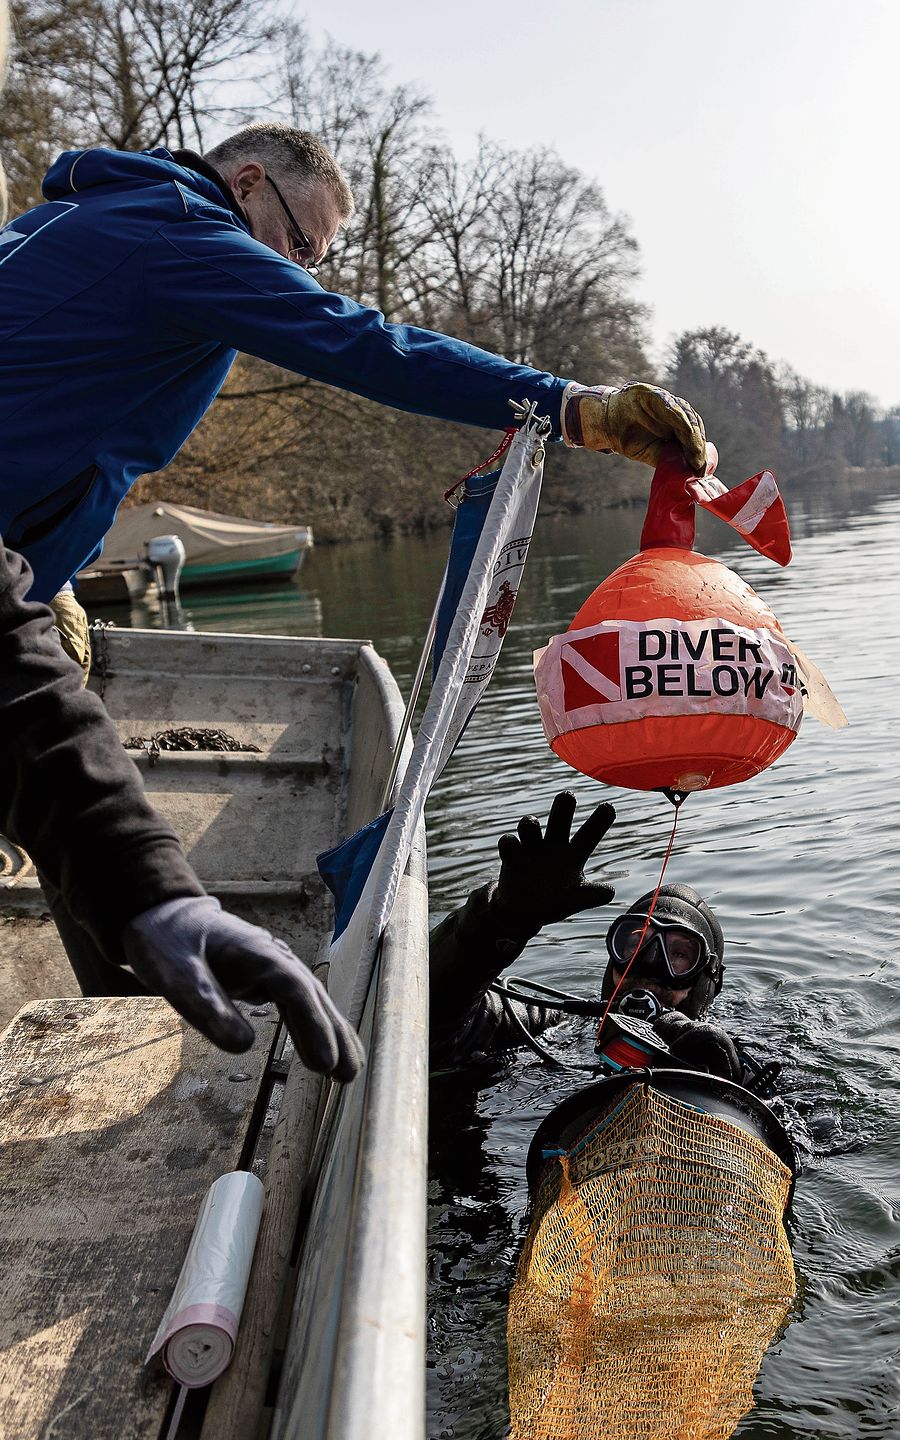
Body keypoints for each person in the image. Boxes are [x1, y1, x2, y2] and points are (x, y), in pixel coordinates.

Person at [0, 120, 710, 660]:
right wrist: (576, 409)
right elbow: (370, 346)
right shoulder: (187, 240)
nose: (298, 271)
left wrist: (54, 572)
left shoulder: (95, 216)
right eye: (300, 245)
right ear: (247, 183)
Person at [429, 790, 753, 1083]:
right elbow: (431, 1019)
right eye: (636, 942)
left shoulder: (743, 1052)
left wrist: (730, 1079)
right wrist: (501, 920)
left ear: (706, 979)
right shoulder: (550, 1029)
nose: (649, 965)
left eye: (680, 954)